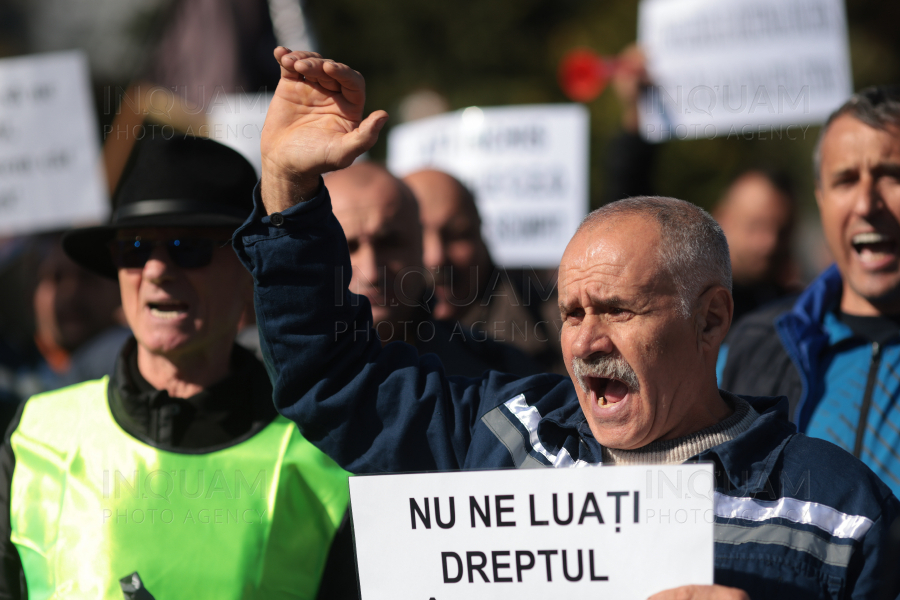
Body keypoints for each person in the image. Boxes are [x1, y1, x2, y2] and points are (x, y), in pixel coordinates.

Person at [233, 48, 900, 599]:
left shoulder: (839, 512)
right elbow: (326, 374)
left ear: (711, 318)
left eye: (616, 310)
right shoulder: (503, 431)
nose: (585, 340)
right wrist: (288, 193)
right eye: (573, 312)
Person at [0, 134, 355, 599]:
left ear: (250, 266)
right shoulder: (35, 435)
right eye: (134, 249)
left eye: (188, 247)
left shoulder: (322, 454)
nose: (156, 270)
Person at [720, 86, 900, 499]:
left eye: (892, 175)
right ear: (822, 200)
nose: (867, 204)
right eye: (846, 180)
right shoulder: (750, 345)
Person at [326, 161, 542, 378]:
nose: (371, 272)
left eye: (389, 243)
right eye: (348, 247)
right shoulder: (294, 378)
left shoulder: (498, 376)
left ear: (418, 248)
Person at [403, 169, 564, 372]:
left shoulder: (561, 327)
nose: (436, 258)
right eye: (416, 238)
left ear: (481, 234)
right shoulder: (362, 342)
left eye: (457, 234)